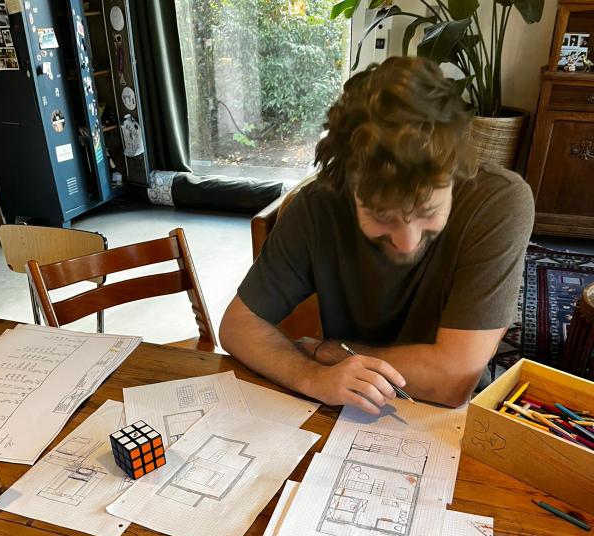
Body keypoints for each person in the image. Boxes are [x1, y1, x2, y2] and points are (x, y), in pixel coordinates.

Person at [219, 57, 534, 413]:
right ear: (347, 185)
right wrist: (312, 377)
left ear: (455, 170)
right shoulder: (317, 205)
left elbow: (452, 381)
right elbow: (236, 326)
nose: (407, 243)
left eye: (428, 212)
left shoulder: (499, 202)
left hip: (449, 416)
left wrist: (330, 352)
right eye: (382, 217)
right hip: (349, 405)